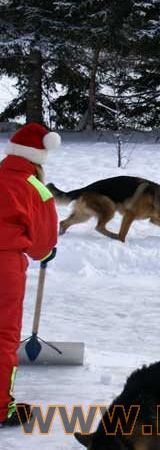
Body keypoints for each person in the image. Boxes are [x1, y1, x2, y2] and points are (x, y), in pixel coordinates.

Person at [0, 123, 60, 427]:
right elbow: (42, 244)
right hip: (4, 266)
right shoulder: (35, 188)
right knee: (2, 337)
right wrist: (47, 252)